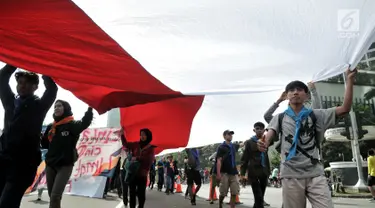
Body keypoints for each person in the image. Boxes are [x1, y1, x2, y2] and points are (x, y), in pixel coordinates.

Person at [257, 68, 356, 208]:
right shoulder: (280, 118)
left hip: (315, 173)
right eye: (291, 90)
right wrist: (264, 143)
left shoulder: (317, 115)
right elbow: (270, 133)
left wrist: (350, 80)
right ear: (287, 96)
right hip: (290, 174)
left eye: (299, 89)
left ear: (307, 96)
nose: (295, 92)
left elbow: (345, 108)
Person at [0, 64, 57, 208]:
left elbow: (51, 89)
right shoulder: (10, 102)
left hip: (24, 164)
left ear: (35, 87)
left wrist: (40, 62)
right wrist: (15, 59)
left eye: (27, 83)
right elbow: (2, 77)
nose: (22, 86)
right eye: (20, 83)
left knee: (7, 203)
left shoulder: (39, 106)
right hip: (4, 160)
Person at [41, 100, 93, 208]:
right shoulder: (51, 127)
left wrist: (90, 109)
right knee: (53, 196)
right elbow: (45, 144)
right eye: (55, 106)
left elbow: (85, 123)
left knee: (55, 195)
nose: (56, 108)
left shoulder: (72, 125)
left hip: (65, 165)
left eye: (59, 106)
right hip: (50, 165)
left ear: (66, 108)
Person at [120, 128, 155, 208]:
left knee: (141, 195)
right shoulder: (136, 144)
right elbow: (125, 144)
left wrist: (137, 158)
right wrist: (122, 134)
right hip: (133, 173)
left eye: (144, 135)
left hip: (142, 175)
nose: (142, 136)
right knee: (131, 193)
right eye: (141, 134)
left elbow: (149, 159)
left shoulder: (150, 148)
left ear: (148, 136)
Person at [240, 122, 271, 208]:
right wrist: (242, 174)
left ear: (264, 130)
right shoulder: (249, 142)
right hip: (253, 172)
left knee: (260, 197)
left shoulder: (267, 140)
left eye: (261, 129)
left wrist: (270, 131)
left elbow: (276, 137)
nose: (259, 130)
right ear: (254, 130)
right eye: (257, 128)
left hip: (264, 171)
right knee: (258, 196)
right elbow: (244, 158)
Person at [216, 130, 240, 208]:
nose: (230, 136)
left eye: (231, 135)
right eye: (228, 134)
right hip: (224, 172)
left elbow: (242, 144)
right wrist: (218, 173)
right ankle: (220, 204)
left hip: (234, 172)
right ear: (224, 136)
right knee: (223, 192)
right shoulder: (221, 147)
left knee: (234, 191)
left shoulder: (233, 146)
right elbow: (219, 160)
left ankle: (232, 206)